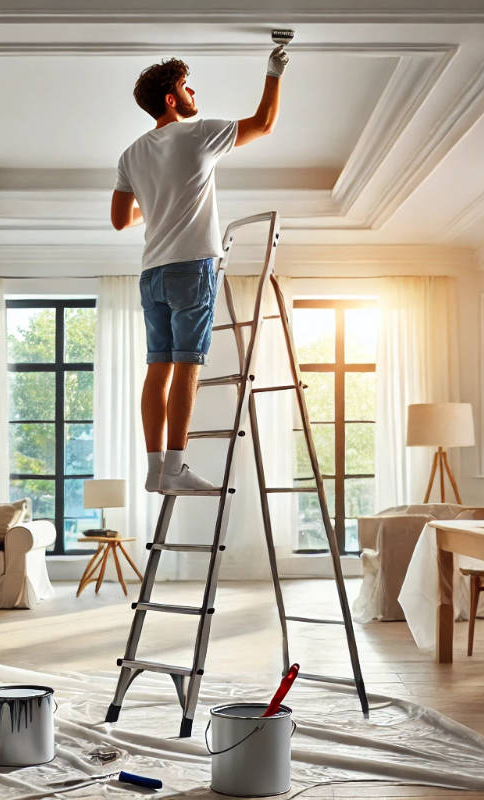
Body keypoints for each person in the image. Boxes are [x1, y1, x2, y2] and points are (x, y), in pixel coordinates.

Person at [111, 45, 289, 493]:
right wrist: (274, 69)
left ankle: (156, 469)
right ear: (171, 99)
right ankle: (174, 468)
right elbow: (265, 124)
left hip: (151, 274)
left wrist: (157, 205)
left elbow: (119, 220)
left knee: (158, 369)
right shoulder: (197, 134)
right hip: (191, 270)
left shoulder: (131, 154)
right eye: (185, 86)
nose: (192, 92)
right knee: (188, 367)